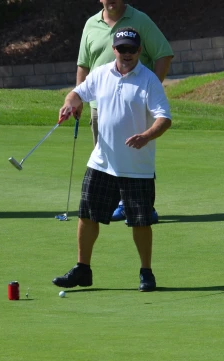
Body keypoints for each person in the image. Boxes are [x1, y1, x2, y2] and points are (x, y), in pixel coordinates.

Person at [53, 27, 172, 292]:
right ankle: (83, 269)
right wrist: (69, 103)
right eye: (122, 49)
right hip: (102, 161)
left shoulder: (149, 80)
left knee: (140, 221)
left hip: (137, 167)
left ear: (139, 51)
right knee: (87, 214)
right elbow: (77, 93)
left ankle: (146, 272)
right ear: (114, 49)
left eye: (132, 50)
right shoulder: (101, 74)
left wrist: (146, 136)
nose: (126, 54)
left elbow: (164, 118)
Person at [76, 0, 173, 223]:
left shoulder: (140, 20)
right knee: (105, 159)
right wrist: (78, 97)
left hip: (135, 104)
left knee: (137, 153)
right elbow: (83, 64)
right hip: (99, 106)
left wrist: (149, 88)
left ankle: (144, 206)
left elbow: (163, 53)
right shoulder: (91, 24)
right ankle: (112, 203)